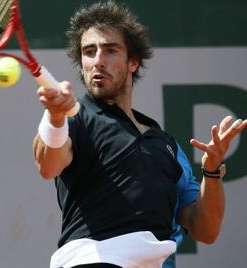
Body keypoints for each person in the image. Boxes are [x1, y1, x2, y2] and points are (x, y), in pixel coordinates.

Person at [32, 1, 247, 268]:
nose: (97, 60)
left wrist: (212, 172)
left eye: (110, 50)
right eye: (89, 52)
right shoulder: (73, 116)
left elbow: (205, 230)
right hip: (93, 260)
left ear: (133, 62)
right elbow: (48, 166)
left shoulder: (166, 145)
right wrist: (54, 117)